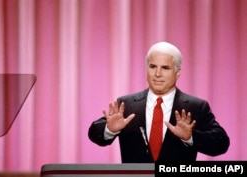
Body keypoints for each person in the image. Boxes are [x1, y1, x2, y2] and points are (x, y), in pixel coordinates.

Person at [88, 41, 230, 162]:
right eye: (153, 66)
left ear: (177, 72)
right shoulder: (127, 104)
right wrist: (109, 129)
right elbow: (94, 134)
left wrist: (190, 137)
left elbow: (221, 143)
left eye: (165, 68)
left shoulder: (196, 107)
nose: (157, 74)